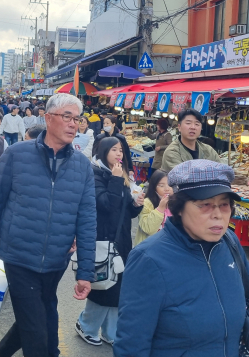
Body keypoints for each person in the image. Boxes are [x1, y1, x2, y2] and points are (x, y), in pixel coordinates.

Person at [114, 159, 249, 357]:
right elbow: (132, 343)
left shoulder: (230, 243)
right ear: (179, 208)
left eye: (224, 204)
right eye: (205, 205)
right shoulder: (148, 259)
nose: (218, 215)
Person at [0, 93, 97, 357]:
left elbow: (88, 220)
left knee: (39, 313)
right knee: (36, 330)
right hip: (19, 255)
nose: (73, 124)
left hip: (57, 259)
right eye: (66, 117)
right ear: (47, 118)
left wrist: (85, 272)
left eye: (76, 119)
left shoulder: (82, 166)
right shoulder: (16, 154)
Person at [75, 137, 143, 347]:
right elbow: (105, 205)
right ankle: (85, 325)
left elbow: (125, 211)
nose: (119, 154)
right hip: (102, 239)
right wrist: (115, 180)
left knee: (118, 287)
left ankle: (110, 331)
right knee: (103, 287)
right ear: (104, 151)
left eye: (121, 150)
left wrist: (136, 204)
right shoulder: (95, 173)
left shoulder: (120, 173)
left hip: (120, 239)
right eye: (114, 150)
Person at [133, 169, 172, 246]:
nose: (167, 188)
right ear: (154, 187)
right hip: (149, 247)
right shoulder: (147, 203)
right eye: (161, 185)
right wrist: (160, 209)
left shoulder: (176, 203)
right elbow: (148, 229)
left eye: (170, 185)